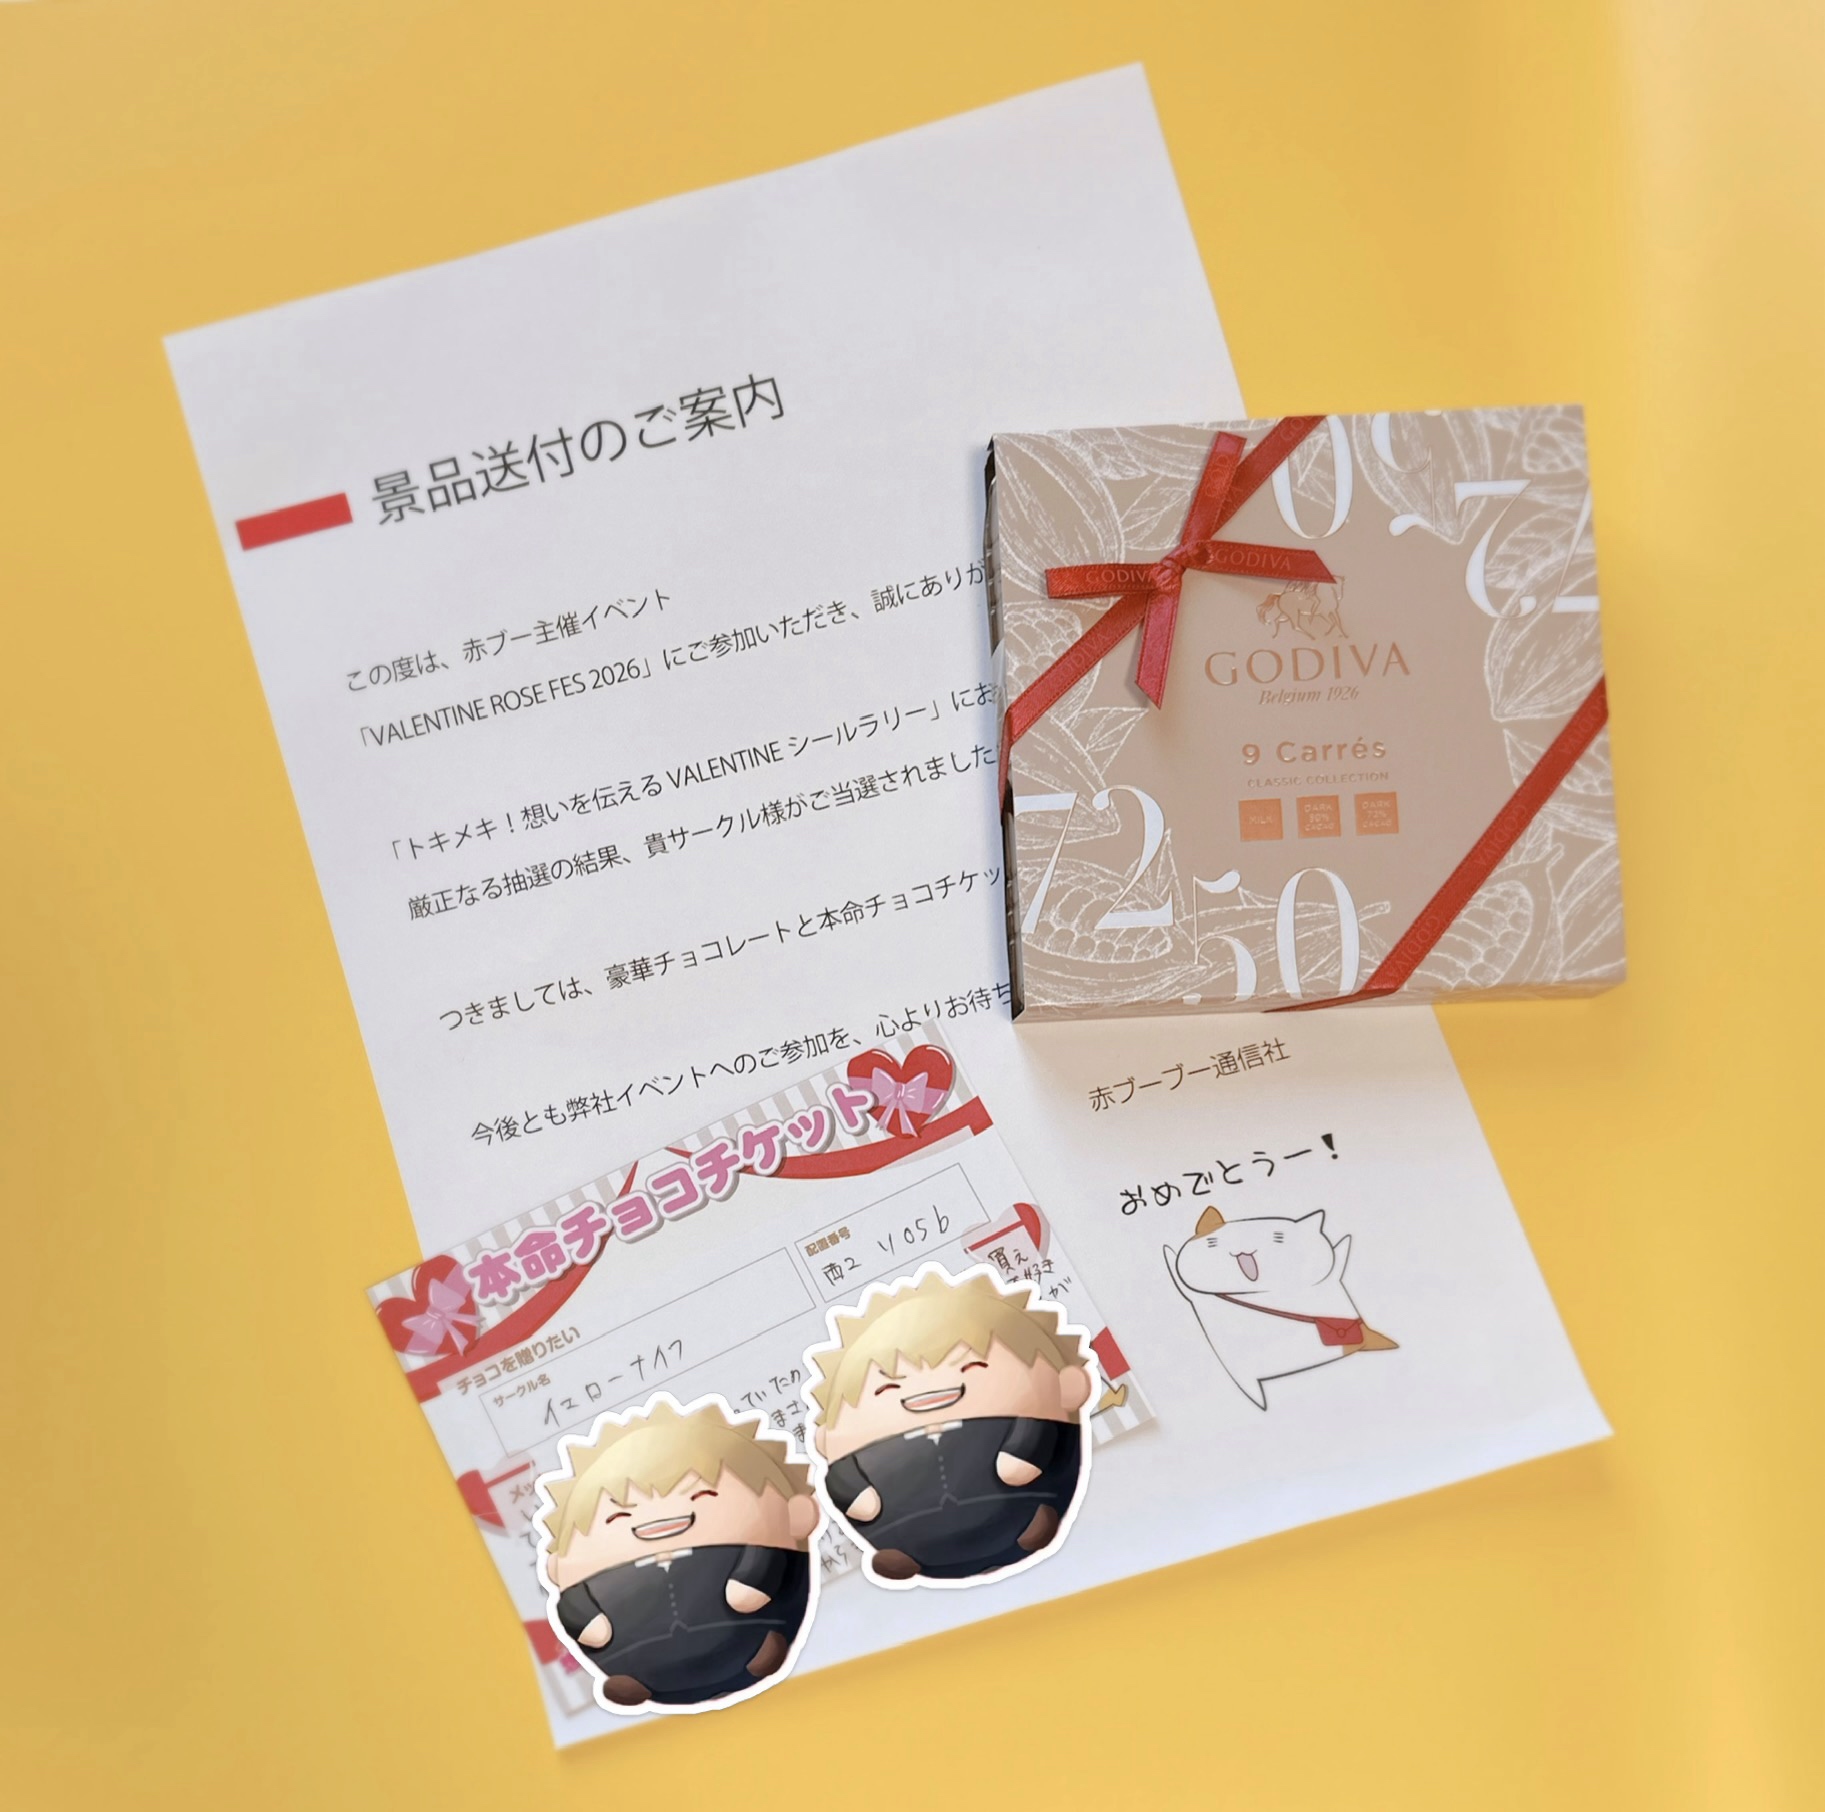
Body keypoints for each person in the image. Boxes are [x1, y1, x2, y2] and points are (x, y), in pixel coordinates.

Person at [807, 1267, 1093, 1586]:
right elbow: (842, 1479)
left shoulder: (1031, 1415)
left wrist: (1025, 1450)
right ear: (825, 1439)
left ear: (1070, 1387)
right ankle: (907, 1555)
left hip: (1017, 1516)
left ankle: (1030, 1525)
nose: (924, 1389)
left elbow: (1039, 1437)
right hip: (914, 1542)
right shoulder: (853, 1448)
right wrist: (855, 1491)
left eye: (971, 1366)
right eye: (888, 1387)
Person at [536, 1395, 819, 1713]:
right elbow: (575, 1608)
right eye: (618, 1515)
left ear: (799, 1515)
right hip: (644, 1666)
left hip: (747, 1642)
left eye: (702, 1494)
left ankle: (759, 1652)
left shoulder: (758, 1543)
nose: (654, 1518)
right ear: (556, 1567)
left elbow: (767, 1565)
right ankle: (637, 1681)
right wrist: (586, 1618)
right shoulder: (584, 1573)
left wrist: (753, 1578)